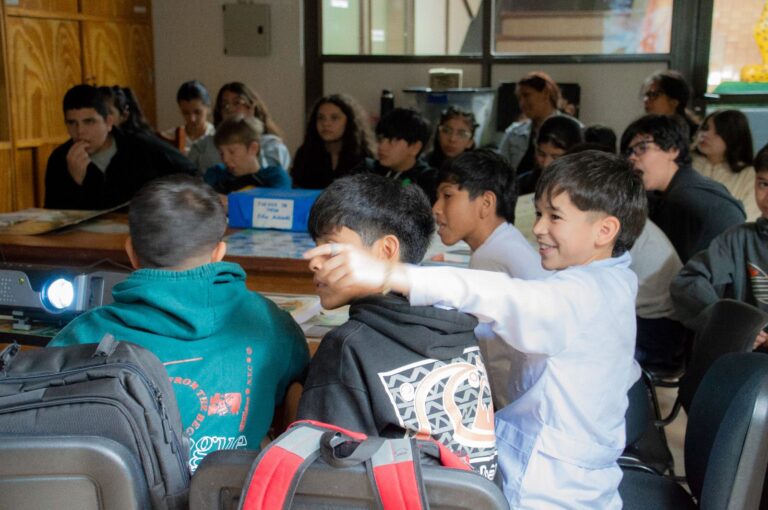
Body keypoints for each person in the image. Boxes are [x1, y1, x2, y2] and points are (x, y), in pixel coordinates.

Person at [304, 150, 648, 509]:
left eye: (555, 217)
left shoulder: (582, 295)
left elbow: (507, 297)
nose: (539, 228)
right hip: (570, 471)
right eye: (541, 213)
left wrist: (392, 275)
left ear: (605, 230)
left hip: (548, 489)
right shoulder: (611, 280)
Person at [48, 174, 310, 472]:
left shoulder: (83, 335)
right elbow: (298, 386)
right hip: (228, 496)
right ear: (218, 253)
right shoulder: (269, 323)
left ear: (131, 252)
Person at [298, 173, 498, 481]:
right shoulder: (459, 330)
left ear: (386, 251)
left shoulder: (347, 346)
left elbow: (325, 480)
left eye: (330, 248)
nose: (313, 262)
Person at [433, 149, 549, 408]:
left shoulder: (491, 256)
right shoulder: (503, 242)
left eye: (448, 195)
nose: (436, 208)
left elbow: (496, 360)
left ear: (486, 203)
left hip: (521, 405)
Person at [671, 144, 768, 349]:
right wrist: (731, 321)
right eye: (764, 184)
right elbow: (688, 282)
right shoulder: (738, 238)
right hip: (745, 362)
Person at [45, 84, 196, 210]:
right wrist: (75, 183)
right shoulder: (60, 158)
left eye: (89, 122)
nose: (79, 131)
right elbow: (53, 218)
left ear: (109, 122)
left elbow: (190, 171)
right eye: (72, 123)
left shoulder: (141, 148)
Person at [621, 114, 745, 262]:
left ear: (673, 150)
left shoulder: (684, 201)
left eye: (642, 148)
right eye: (629, 152)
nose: (632, 158)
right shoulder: (685, 187)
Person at [188, 82, 290, 174]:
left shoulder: (272, 145)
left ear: (251, 108)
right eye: (224, 105)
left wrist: (249, 127)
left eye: (236, 103)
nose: (230, 109)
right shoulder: (203, 145)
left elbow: (270, 178)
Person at [499, 71, 582, 181]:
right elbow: (500, 171)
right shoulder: (514, 133)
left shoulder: (575, 129)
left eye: (526, 95)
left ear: (545, 93)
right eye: (519, 98)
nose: (522, 103)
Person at [291, 93, 375, 189]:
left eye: (334, 118)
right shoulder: (305, 154)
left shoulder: (364, 157)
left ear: (350, 122)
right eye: (321, 118)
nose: (326, 123)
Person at [356, 107, 438, 203]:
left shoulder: (426, 180)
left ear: (415, 147)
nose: (382, 146)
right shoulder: (367, 169)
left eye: (393, 141)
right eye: (381, 139)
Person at [692, 109, 759, 220]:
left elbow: (748, 220)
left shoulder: (749, 175)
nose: (706, 135)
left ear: (734, 137)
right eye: (705, 128)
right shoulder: (687, 163)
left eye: (718, 132)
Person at [204, 115, 291, 194]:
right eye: (221, 153)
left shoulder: (274, 177)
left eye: (232, 152)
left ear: (253, 148)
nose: (225, 159)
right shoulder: (216, 175)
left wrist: (232, 203)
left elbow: (279, 205)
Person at [160, 80, 215, 154]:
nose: (192, 119)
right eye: (186, 113)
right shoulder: (170, 138)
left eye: (197, 112)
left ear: (209, 108)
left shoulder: (218, 137)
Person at [641, 70, 699, 139]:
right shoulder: (644, 130)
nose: (646, 100)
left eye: (653, 95)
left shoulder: (694, 136)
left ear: (674, 101)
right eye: (646, 95)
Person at [425, 105, 478, 170]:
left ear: (470, 142)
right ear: (438, 134)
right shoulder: (423, 166)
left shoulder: (476, 172)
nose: (452, 139)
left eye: (461, 134)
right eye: (446, 131)